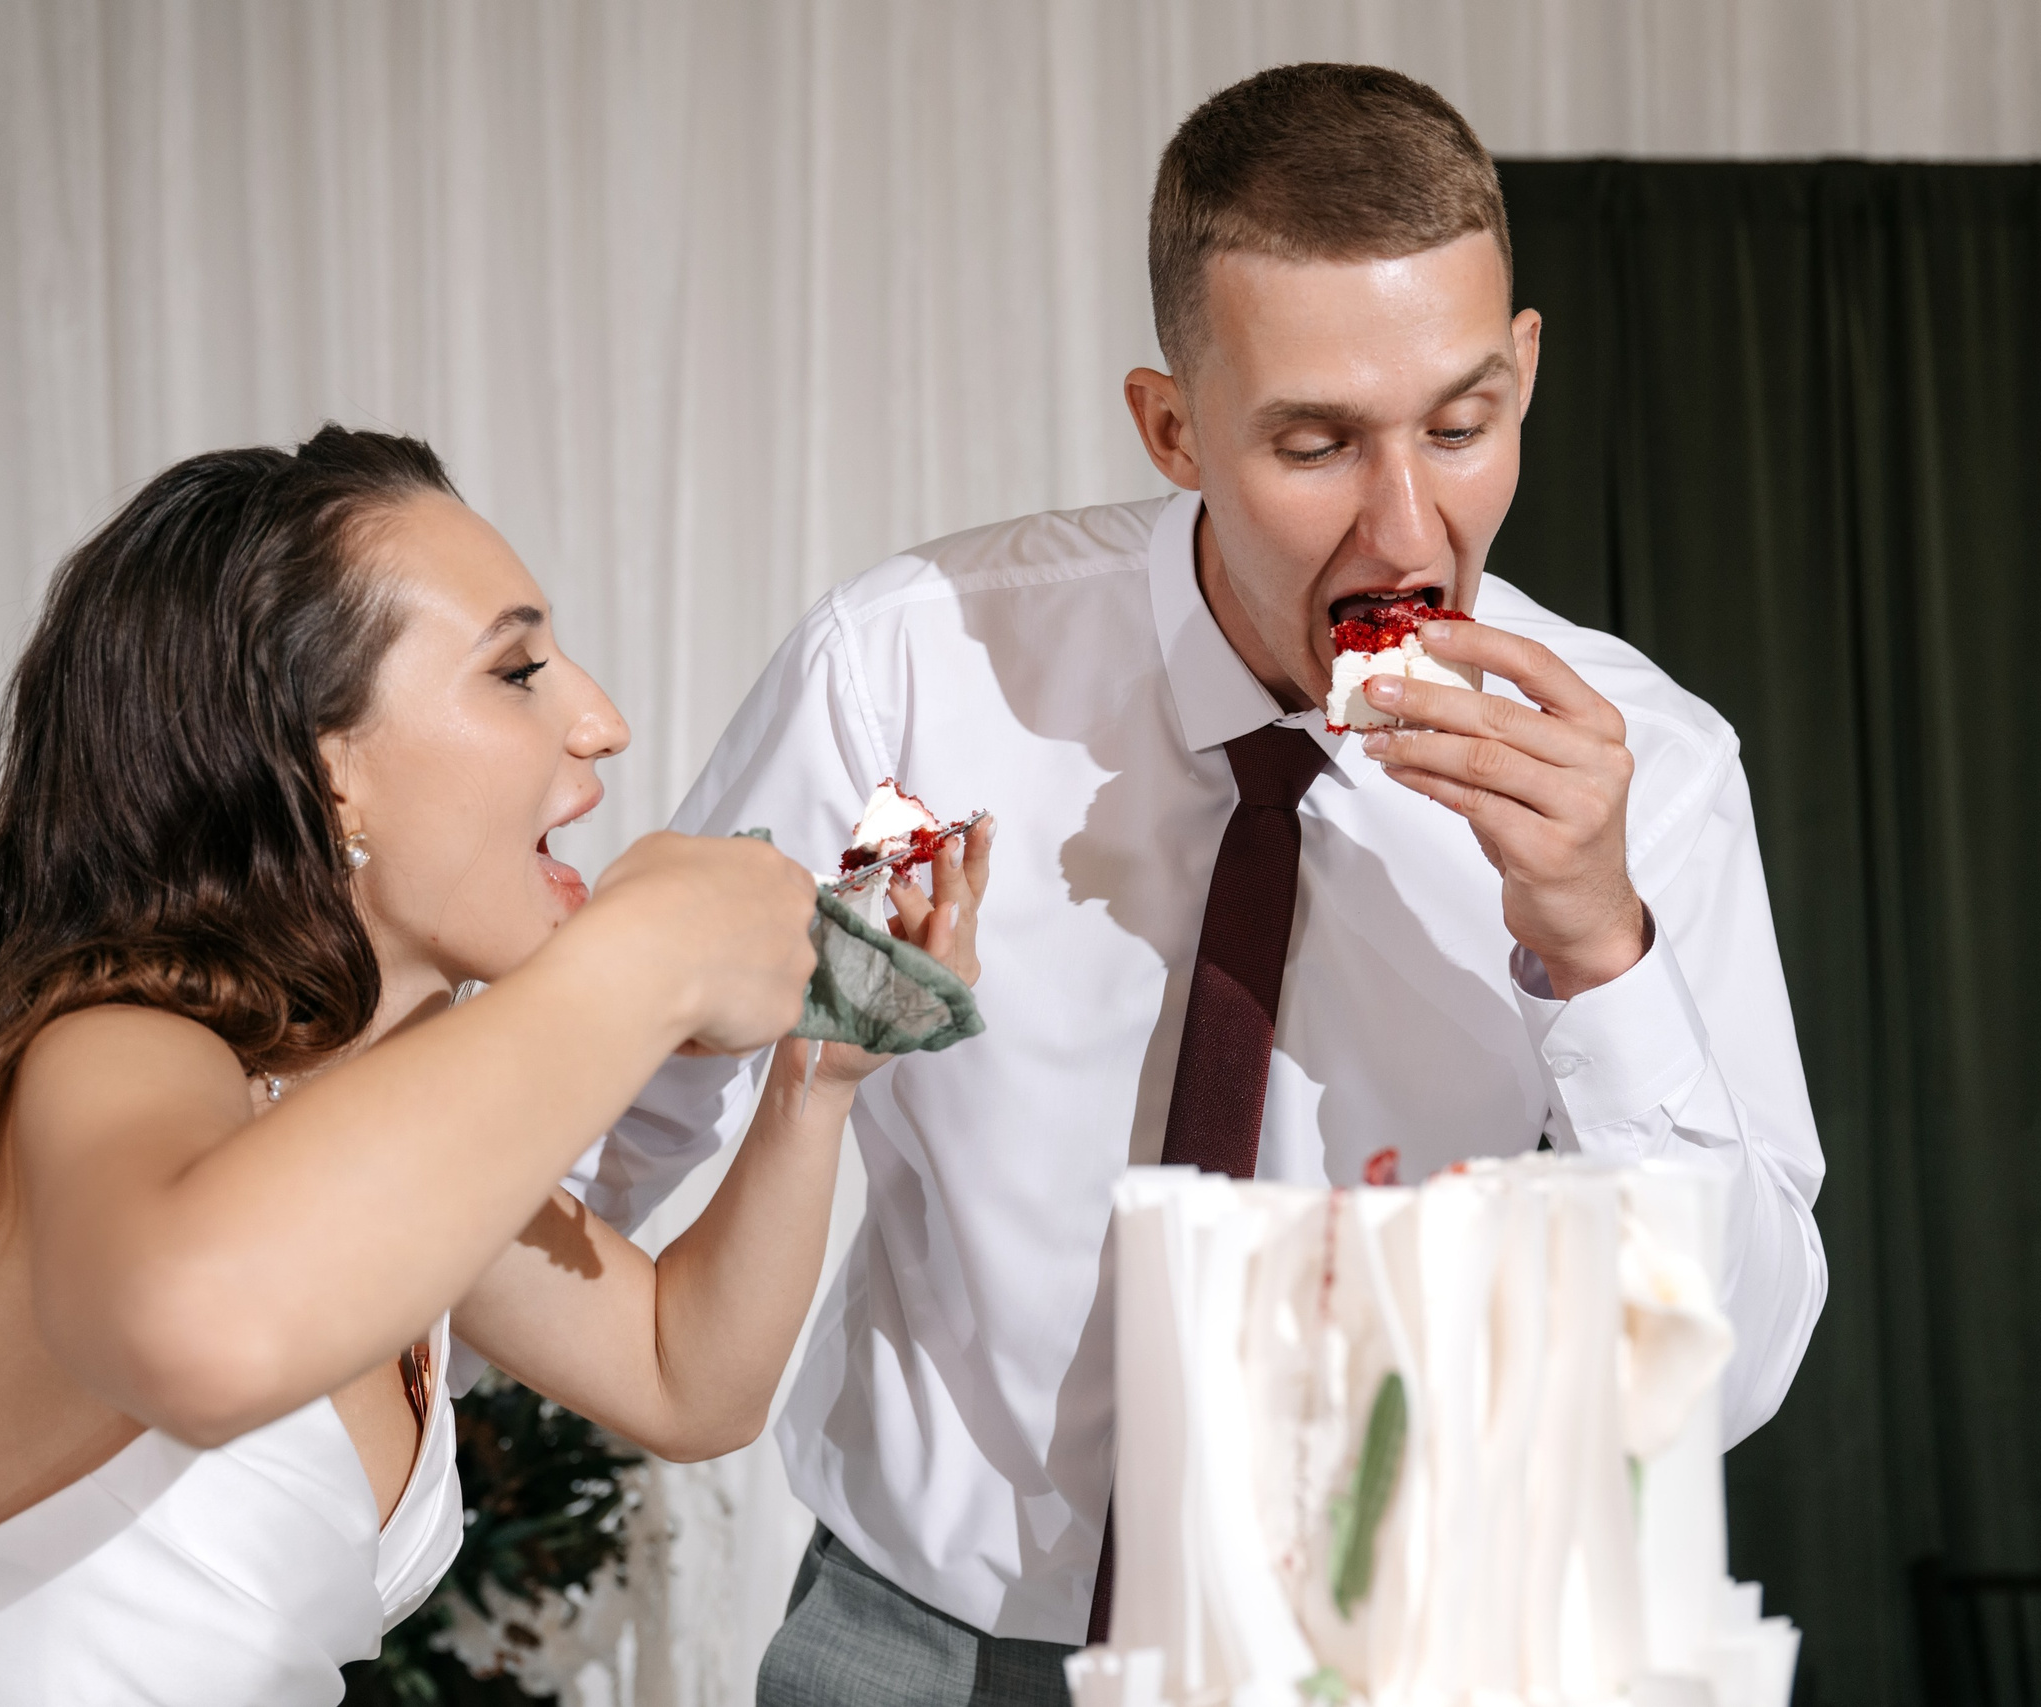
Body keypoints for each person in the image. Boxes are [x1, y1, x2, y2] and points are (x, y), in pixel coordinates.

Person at [589, 63, 1829, 1707]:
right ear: (1172, 426)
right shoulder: (914, 681)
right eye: (1315, 444)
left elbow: (1723, 1365)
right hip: (926, 1645)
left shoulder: (1644, 770)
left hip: (1401, 1649)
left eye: (1462, 426)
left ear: (1525, 368)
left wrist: (1599, 943)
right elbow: (633, 1106)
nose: (1407, 525)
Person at [0, 427, 995, 1705]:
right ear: (326, 765)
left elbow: (684, 1377)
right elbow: (199, 1329)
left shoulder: (362, 1150)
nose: (602, 720)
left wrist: (817, 1073)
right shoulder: (104, 1054)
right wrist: (651, 951)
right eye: (518, 669)